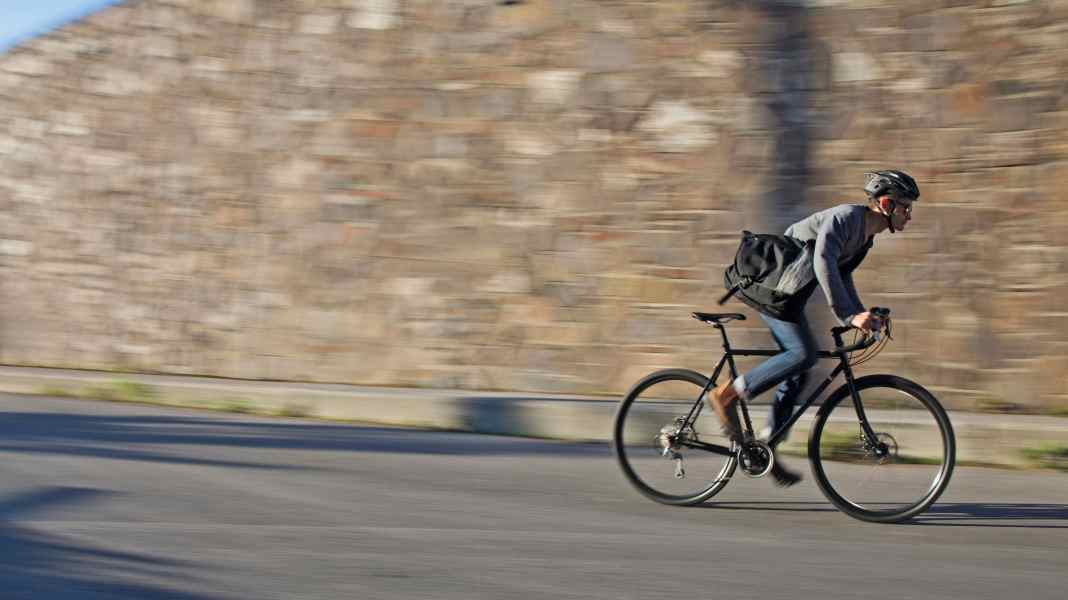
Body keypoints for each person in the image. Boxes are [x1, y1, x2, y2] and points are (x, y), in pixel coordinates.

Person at [710, 170, 920, 487]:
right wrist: (849, 316)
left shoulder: (866, 237)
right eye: (906, 207)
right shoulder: (846, 218)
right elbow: (823, 262)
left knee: (800, 369)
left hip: (791, 293)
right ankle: (727, 394)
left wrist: (861, 314)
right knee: (803, 354)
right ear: (887, 204)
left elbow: (842, 275)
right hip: (772, 288)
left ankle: (766, 445)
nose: (909, 215)